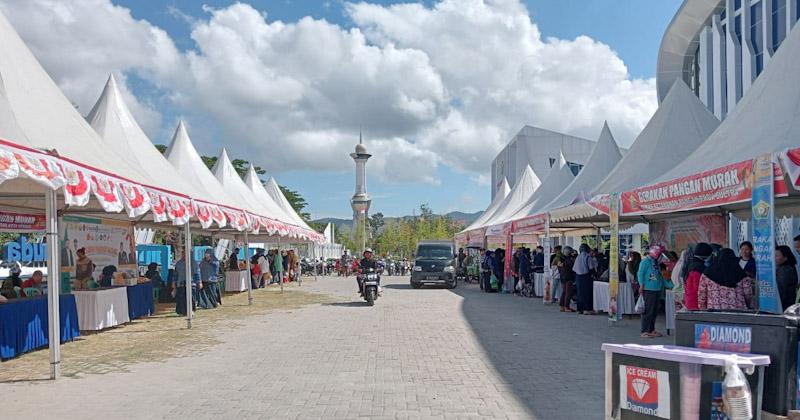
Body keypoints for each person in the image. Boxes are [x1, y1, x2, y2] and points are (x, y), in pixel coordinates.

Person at [638, 245, 673, 338]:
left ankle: (651, 330)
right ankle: (644, 331)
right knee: (648, 311)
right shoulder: (645, 261)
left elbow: (660, 277)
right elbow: (640, 274)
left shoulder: (655, 262)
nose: (661, 256)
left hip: (657, 289)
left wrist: (670, 285)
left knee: (654, 311)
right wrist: (641, 285)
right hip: (649, 289)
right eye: (659, 253)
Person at [683, 243, 712, 311]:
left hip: (690, 301)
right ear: (705, 254)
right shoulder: (697, 268)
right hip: (695, 304)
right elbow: (698, 288)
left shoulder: (692, 264)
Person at [174, 249, 201, 316]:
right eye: (183, 253)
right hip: (181, 283)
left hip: (191, 283)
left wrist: (199, 282)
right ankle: (181, 311)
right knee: (181, 298)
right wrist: (174, 282)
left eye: (185, 253)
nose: (183, 254)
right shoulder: (178, 263)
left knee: (191, 298)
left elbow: (197, 273)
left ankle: (191, 310)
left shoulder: (194, 263)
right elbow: (175, 274)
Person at [572, 243, 597, 315]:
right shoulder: (587, 257)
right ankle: (587, 309)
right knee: (587, 293)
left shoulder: (578, 257)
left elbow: (574, 269)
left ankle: (580, 309)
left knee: (580, 293)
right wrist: (595, 275)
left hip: (578, 277)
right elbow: (591, 268)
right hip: (586, 277)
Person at [775, 245, 799, 311]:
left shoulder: (785, 270)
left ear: (785, 257)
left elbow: (782, 289)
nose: (774, 258)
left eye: (777, 256)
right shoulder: (788, 267)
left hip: (785, 305)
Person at [557, 246, 576, 312]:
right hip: (568, 278)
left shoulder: (561, 260)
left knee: (564, 292)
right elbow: (573, 268)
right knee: (568, 292)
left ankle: (562, 306)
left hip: (563, 277)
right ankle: (566, 307)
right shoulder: (568, 260)